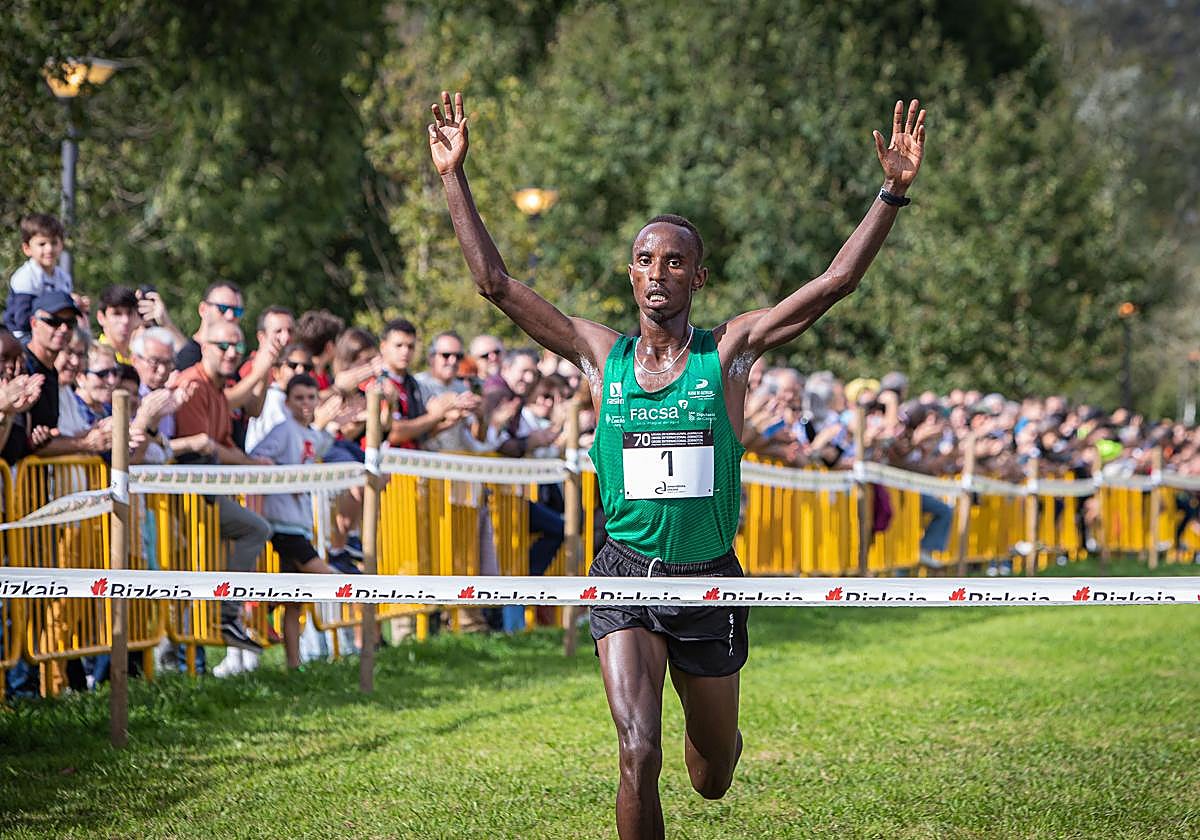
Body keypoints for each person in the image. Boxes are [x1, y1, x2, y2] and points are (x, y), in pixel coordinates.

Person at [430, 90, 926, 838]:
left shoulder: (727, 353)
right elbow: (495, 286)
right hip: (625, 573)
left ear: (698, 278)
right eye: (643, 260)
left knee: (712, 774)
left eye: (674, 262)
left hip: (710, 578)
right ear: (631, 275)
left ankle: (717, 739)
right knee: (637, 751)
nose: (656, 272)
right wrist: (452, 178)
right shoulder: (601, 357)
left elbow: (834, 285)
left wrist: (891, 194)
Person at [171, 320, 273, 653]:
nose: (231, 354)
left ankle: (218, 620)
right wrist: (251, 464)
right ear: (203, 345)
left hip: (205, 495)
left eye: (237, 348)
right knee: (254, 529)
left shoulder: (216, 389)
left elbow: (223, 446)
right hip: (184, 499)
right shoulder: (194, 386)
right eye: (223, 346)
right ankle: (225, 614)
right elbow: (209, 449)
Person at [248, 373, 340, 669]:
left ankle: (293, 665)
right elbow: (257, 457)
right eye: (299, 398)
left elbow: (320, 447)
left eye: (311, 398)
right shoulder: (283, 429)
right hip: (281, 522)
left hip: (299, 521)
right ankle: (255, 609)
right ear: (287, 402)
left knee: (295, 599)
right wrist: (283, 477)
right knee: (325, 577)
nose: (306, 404)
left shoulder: (309, 433)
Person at [4, 213, 72, 340]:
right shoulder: (25, 276)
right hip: (21, 337)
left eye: (54, 242)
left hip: (53, 333)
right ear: (27, 248)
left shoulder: (64, 278)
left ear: (61, 244)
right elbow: (22, 320)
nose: (49, 249)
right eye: (42, 244)